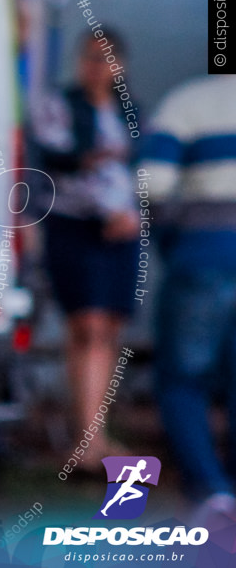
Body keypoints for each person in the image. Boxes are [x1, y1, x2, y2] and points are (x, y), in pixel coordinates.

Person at [29, 28, 141, 468]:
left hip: (121, 231)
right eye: (90, 57)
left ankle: (96, 434)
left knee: (108, 328)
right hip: (76, 227)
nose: (98, 67)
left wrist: (129, 214)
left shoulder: (129, 108)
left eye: (106, 58)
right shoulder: (61, 105)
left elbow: (140, 165)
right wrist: (105, 205)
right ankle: (87, 440)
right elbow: (60, 161)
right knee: (88, 326)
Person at [142, 74, 236, 524]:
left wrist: (174, 235)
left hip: (202, 258)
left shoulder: (188, 102)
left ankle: (211, 489)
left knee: (184, 377)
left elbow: (152, 182)